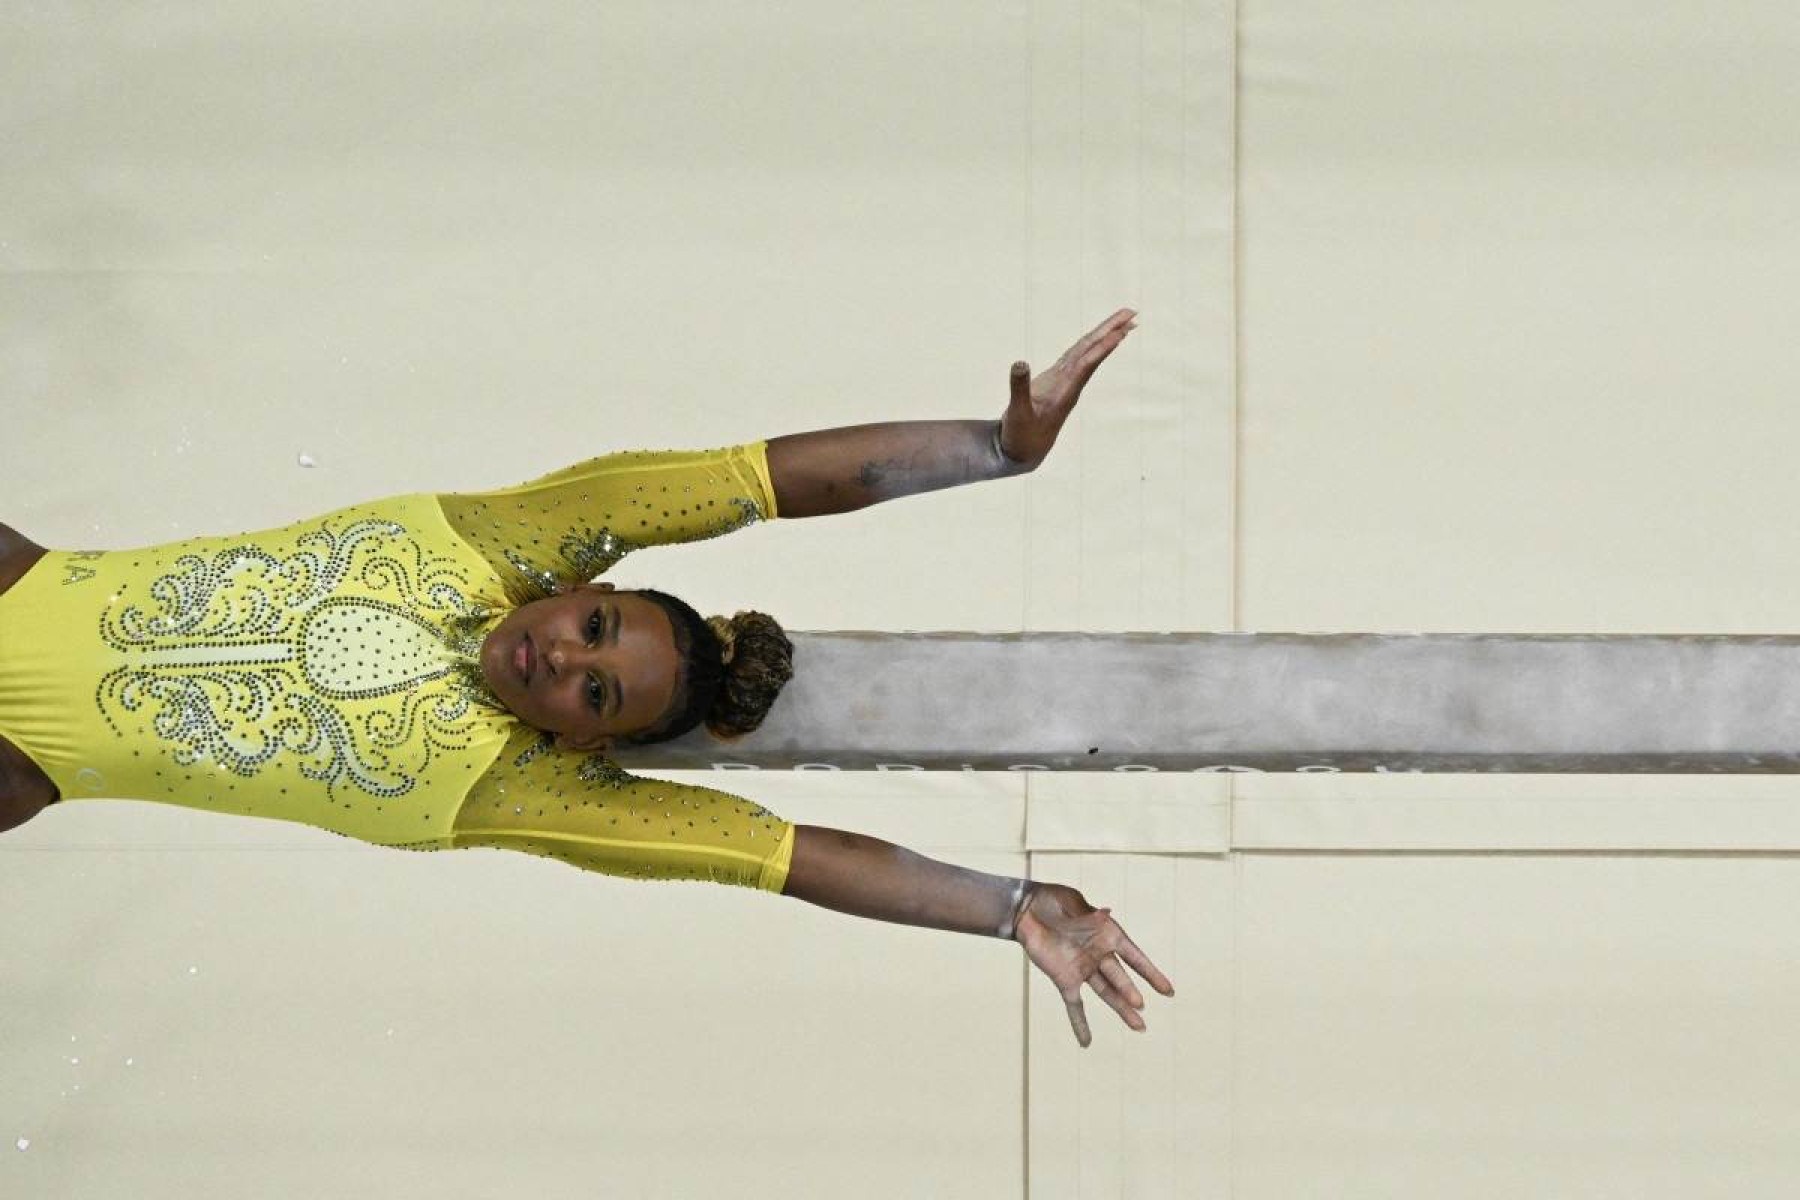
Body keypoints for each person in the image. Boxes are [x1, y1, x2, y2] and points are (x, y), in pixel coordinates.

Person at [0, 308, 1172, 1048]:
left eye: (592, 692)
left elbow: (782, 855)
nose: (560, 654)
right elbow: (756, 481)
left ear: (585, 749)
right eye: (596, 626)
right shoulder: (507, 542)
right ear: (585, 582)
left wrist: (1009, 908)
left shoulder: (516, 786)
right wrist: (991, 450)